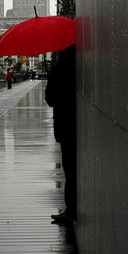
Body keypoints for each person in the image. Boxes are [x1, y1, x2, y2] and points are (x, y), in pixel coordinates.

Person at [44, 45, 77, 224]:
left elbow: (50, 99)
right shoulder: (81, 67)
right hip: (80, 123)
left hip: (65, 125)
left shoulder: (59, 70)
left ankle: (71, 209)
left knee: (70, 169)